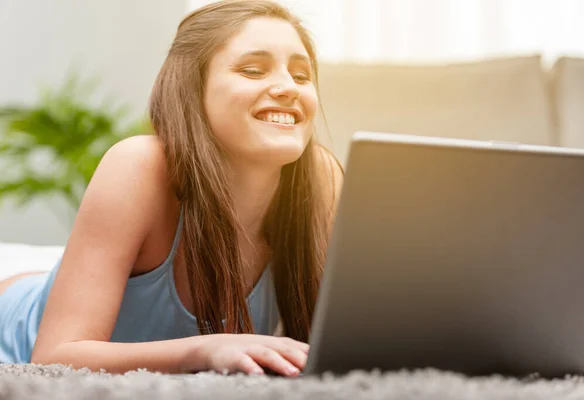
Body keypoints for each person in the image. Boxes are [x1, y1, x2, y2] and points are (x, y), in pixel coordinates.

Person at [0, 0, 343, 377]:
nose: (287, 88)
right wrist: (207, 349)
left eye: (301, 75)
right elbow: (52, 359)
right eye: (252, 69)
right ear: (192, 90)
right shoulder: (140, 166)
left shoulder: (322, 179)